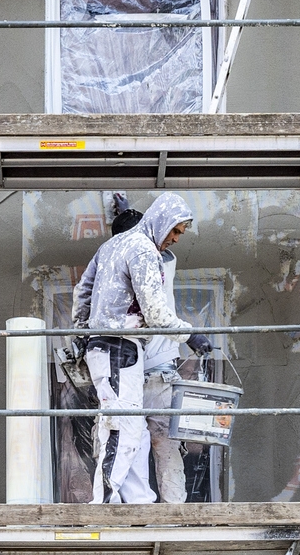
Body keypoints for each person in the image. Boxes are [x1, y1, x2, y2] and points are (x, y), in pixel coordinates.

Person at [71, 192, 211, 504]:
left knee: (128, 427)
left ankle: (138, 502)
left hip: (105, 347)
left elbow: (83, 291)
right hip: (120, 348)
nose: (175, 239)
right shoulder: (144, 250)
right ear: (161, 222)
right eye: (175, 231)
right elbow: (157, 314)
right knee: (123, 428)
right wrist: (191, 335)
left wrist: (82, 333)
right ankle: (103, 503)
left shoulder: (110, 246)